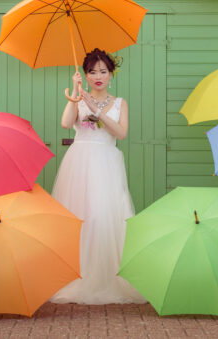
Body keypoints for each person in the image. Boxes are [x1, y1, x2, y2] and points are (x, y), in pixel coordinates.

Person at [50, 48, 146, 304]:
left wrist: (98, 110)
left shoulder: (120, 103)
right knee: (80, 216)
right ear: (86, 74)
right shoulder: (79, 98)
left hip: (106, 162)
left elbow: (121, 133)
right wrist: (74, 96)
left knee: (105, 216)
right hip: (80, 163)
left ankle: (106, 277)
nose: (98, 76)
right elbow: (65, 122)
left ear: (111, 74)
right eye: (92, 72)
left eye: (103, 71)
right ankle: (78, 275)